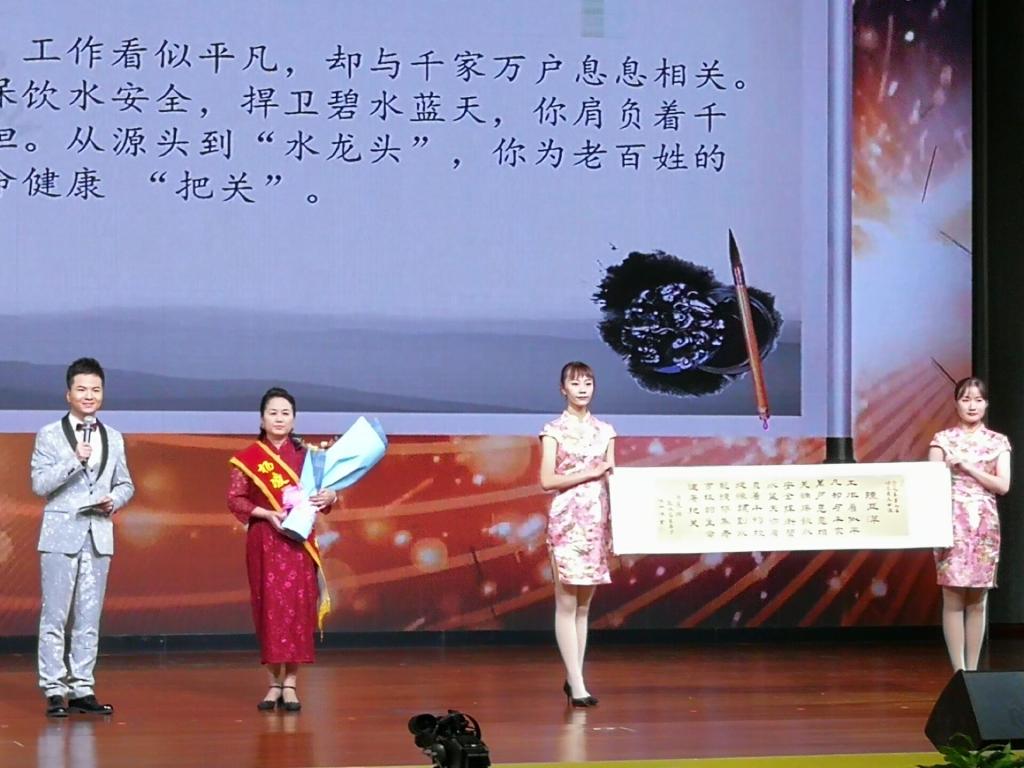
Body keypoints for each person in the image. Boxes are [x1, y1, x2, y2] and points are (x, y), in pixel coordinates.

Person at [31, 357, 135, 718]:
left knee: (89, 618)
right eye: (82, 389)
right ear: (68, 394)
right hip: (60, 534)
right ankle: (54, 689)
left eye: (95, 389)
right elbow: (40, 484)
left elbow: (126, 484)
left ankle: (82, 688)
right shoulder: (49, 434)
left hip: (98, 534)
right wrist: (74, 460)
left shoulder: (114, 438)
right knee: (55, 616)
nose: (89, 395)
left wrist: (114, 500)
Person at [228, 387, 337, 711]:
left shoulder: (308, 457)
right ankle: (273, 683)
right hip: (265, 541)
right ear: (262, 419)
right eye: (273, 413)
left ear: (294, 419)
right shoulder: (247, 459)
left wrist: (331, 496)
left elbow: (326, 496)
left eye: (285, 413)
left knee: (297, 610)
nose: (279, 418)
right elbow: (235, 499)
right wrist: (265, 513)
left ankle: (290, 684)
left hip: (298, 542)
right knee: (269, 610)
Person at [539, 361, 616, 707]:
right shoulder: (553, 431)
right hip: (567, 521)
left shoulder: (606, 431)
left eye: (588, 383)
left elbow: (611, 479)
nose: (582, 389)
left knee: (584, 607)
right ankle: (578, 682)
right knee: (567, 602)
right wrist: (590, 472)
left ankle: (575, 679)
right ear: (563, 389)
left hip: (597, 522)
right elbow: (547, 480)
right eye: (575, 383)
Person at [928, 376, 1011, 672]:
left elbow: (1003, 485)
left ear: (986, 404)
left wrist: (967, 467)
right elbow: (931, 484)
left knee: (978, 598)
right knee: (952, 596)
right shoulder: (942, 440)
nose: (972, 405)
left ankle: (973, 672)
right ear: (956, 403)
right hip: (951, 523)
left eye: (978, 399)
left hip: (984, 524)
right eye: (965, 399)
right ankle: (958, 671)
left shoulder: (998, 442)